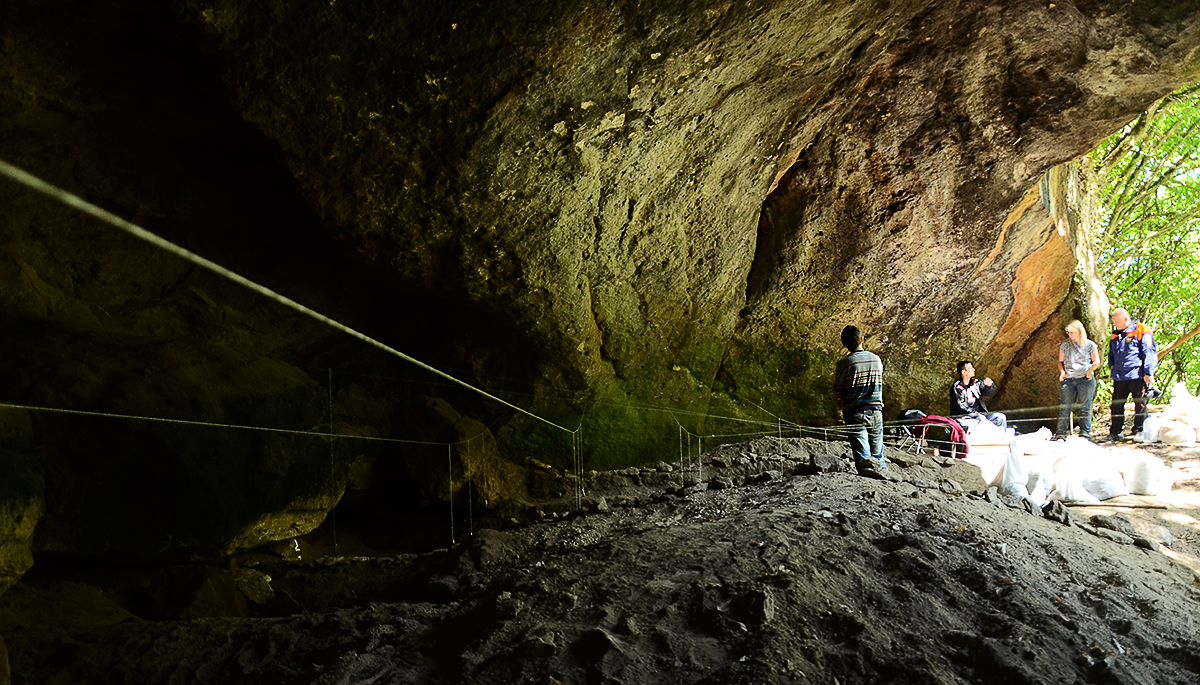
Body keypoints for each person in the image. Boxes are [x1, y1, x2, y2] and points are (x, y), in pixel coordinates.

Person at [833, 325, 887, 475]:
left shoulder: (844, 364)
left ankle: (867, 481)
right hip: (876, 411)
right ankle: (882, 479)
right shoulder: (876, 360)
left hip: (854, 413)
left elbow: (838, 391)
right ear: (862, 339)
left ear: (844, 344)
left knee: (863, 455)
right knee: (878, 454)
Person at [1107, 308, 1157, 441]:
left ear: (1125, 319)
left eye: (1116, 321)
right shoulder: (1116, 334)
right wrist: (1111, 367)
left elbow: (1149, 352)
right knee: (1116, 404)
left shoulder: (1141, 330)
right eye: (1113, 321)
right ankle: (1115, 432)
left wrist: (1148, 372)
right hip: (1120, 376)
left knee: (1140, 404)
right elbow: (1111, 353)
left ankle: (1139, 430)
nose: (1114, 324)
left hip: (1137, 374)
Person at [1056, 319, 1101, 439]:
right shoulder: (1065, 345)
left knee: (1084, 407)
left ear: (1079, 332)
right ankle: (1061, 433)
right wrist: (1062, 372)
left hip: (1084, 379)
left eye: (1072, 332)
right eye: (1068, 333)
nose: (1070, 335)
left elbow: (1096, 361)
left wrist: (1090, 370)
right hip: (1069, 379)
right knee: (1065, 407)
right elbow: (1060, 362)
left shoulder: (1089, 345)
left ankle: (1084, 433)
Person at [950, 361, 1007, 429]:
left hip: (980, 414)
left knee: (1000, 417)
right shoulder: (957, 387)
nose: (974, 369)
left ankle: (1002, 437)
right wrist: (974, 412)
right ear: (964, 372)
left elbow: (988, 392)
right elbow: (960, 405)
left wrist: (989, 386)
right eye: (971, 368)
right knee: (981, 419)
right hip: (965, 417)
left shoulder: (975, 383)